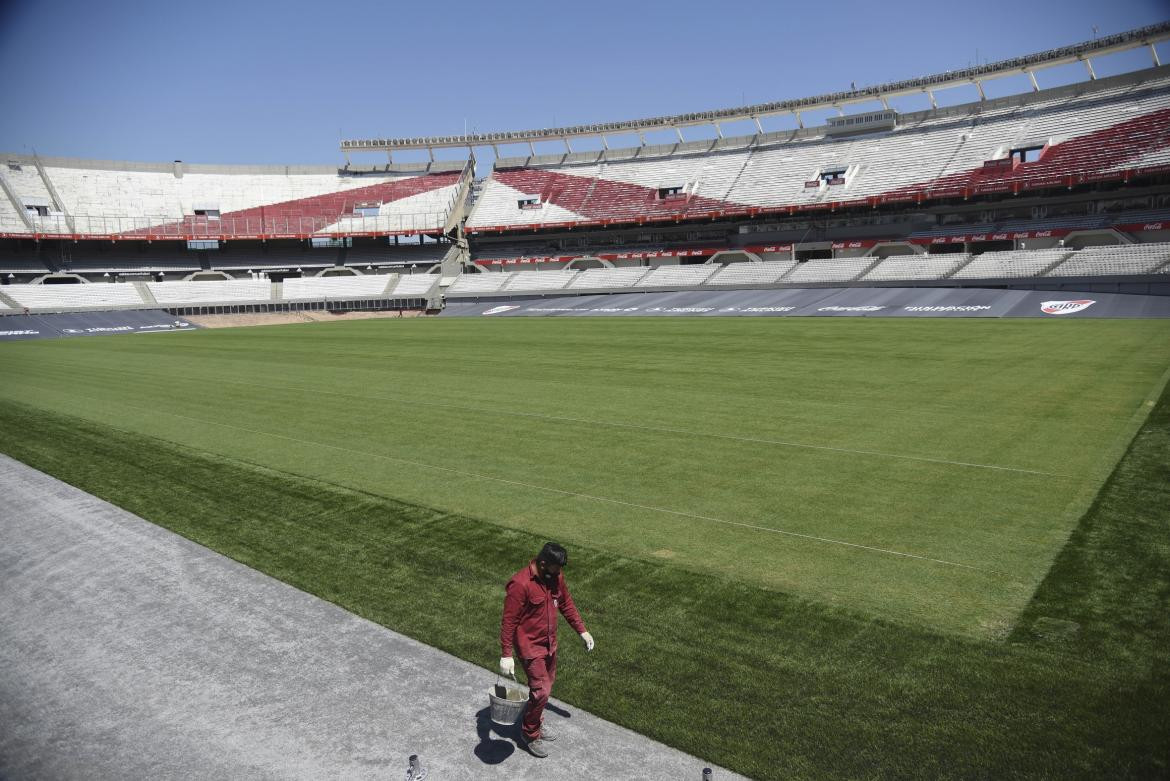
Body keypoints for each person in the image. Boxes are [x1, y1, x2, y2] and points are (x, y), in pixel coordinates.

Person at [499, 542, 594, 758]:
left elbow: (566, 604)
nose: (559, 573)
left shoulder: (555, 578)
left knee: (545, 689)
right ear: (543, 563)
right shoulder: (520, 584)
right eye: (556, 568)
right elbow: (508, 622)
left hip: (549, 644)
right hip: (530, 647)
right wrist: (506, 654)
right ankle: (530, 734)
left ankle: (536, 722)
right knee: (541, 691)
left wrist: (582, 631)